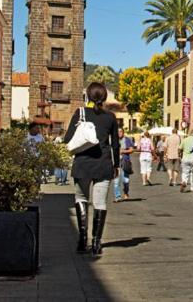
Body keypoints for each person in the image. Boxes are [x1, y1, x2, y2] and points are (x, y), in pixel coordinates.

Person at [63, 82, 119, 256]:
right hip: (103, 164)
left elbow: (67, 139)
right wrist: (116, 165)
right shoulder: (110, 117)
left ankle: (82, 240)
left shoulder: (80, 113)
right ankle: (96, 243)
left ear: (87, 95)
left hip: (82, 163)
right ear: (104, 98)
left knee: (81, 198)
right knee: (100, 203)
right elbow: (115, 144)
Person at [114, 128, 134, 201]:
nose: (119, 133)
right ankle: (117, 196)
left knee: (126, 180)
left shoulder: (127, 140)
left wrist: (123, 151)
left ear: (123, 132)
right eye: (118, 132)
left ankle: (126, 192)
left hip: (125, 161)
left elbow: (132, 149)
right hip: (116, 162)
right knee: (116, 181)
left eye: (121, 131)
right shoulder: (114, 140)